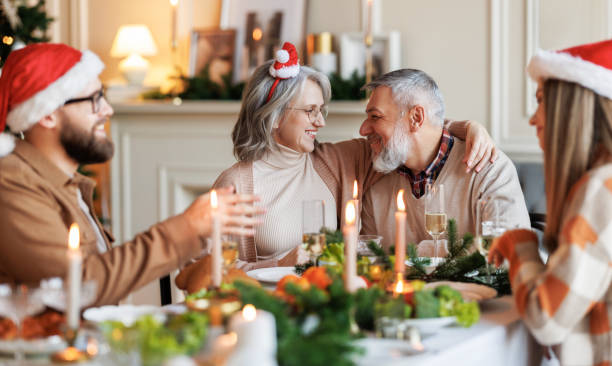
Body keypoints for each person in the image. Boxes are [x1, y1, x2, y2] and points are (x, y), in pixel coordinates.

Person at [0, 43, 262, 306]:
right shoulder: (11, 184)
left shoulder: (69, 185)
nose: (107, 110)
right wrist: (186, 227)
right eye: (94, 100)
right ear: (47, 115)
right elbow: (75, 288)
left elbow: (102, 276)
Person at [213, 43, 498, 270]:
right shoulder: (235, 184)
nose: (320, 122)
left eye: (321, 110)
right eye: (310, 110)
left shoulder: (338, 161)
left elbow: (412, 132)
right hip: (265, 311)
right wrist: (278, 265)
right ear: (274, 116)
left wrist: (467, 127)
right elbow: (205, 272)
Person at [489, 39, 612, 365]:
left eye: (541, 101)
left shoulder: (602, 188)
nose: (533, 119)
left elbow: (546, 319)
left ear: (571, 108)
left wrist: (520, 244)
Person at [359, 69, 530, 249]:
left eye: (376, 117)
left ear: (416, 118)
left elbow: (507, 253)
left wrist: (418, 256)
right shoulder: (376, 177)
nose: (363, 130)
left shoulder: (490, 170)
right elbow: (373, 265)